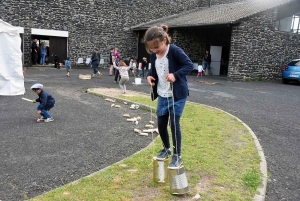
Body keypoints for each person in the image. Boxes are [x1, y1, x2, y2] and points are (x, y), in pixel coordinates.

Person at [145, 25, 193, 169]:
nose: (154, 51)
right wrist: (149, 77)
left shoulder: (175, 51)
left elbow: (189, 65)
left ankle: (177, 155)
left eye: (156, 47)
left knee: (173, 124)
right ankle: (166, 149)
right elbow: (152, 70)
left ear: (164, 40)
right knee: (160, 125)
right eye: (151, 49)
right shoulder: (154, 55)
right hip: (162, 94)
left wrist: (175, 75)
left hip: (176, 95)